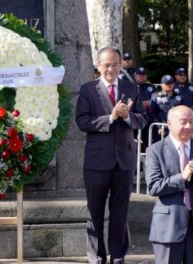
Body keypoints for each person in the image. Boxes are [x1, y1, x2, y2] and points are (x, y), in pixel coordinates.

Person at [76, 46, 148, 264]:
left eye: (115, 64)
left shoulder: (131, 87)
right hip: (97, 162)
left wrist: (127, 118)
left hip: (124, 161)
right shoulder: (88, 89)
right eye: (106, 65)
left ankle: (118, 256)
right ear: (98, 66)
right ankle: (97, 257)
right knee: (95, 211)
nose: (111, 69)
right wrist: (111, 116)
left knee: (120, 212)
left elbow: (143, 119)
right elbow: (82, 121)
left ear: (121, 66)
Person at [145, 105, 193, 264]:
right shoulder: (155, 150)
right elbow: (154, 187)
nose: (188, 126)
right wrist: (184, 175)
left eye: (192, 122)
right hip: (168, 226)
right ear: (169, 124)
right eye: (183, 122)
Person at [149, 75, 181, 144]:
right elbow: (152, 113)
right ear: (162, 84)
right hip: (161, 128)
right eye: (167, 83)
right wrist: (159, 127)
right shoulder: (155, 97)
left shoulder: (179, 97)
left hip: (175, 127)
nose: (169, 85)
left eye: (171, 83)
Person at [134, 66, 157, 149]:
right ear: (135, 75)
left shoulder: (152, 87)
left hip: (148, 119)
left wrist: (145, 103)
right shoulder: (130, 87)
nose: (141, 76)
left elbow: (155, 102)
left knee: (149, 143)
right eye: (139, 74)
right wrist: (141, 104)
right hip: (135, 119)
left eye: (143, 74)